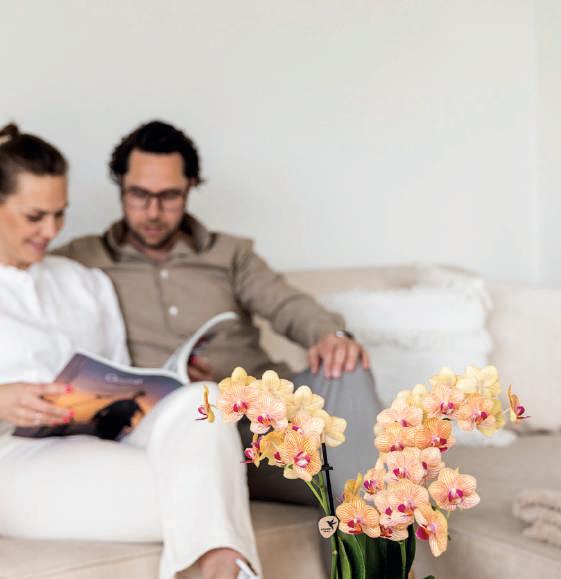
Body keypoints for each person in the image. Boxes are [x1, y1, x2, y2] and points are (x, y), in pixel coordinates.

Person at [0, 124, 308, 579]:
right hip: (14, 460)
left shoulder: (82, 282)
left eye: (60, 215)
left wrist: (159, 384)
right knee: (200, 493)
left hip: (97, 444)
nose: (51, 231)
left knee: (203, 401)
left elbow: (118, 375)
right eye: (34, 216)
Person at [56, 120, 383, 503]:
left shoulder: (229, 254)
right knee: (342, 468)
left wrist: (331, 336)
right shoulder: (81, 260)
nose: (153, 212)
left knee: (348, 364)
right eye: (139, 195)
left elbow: (285, 303)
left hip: (267, 412)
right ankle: (371, 505)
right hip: (193, 428)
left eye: (169, 196)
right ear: (121, 186)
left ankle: (366, 499)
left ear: (190, 186)